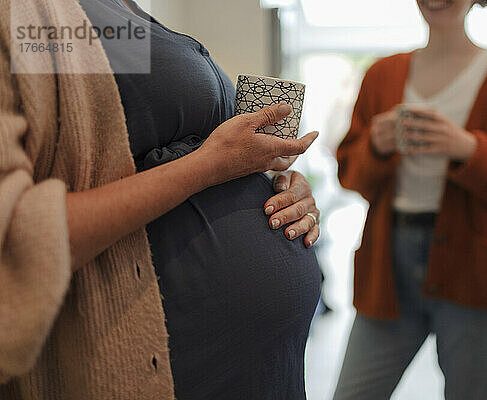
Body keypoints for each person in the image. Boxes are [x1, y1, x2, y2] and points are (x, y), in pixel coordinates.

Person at [0, 0, 320, 399]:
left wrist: (277, 185)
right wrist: (210, 165)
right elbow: (15, 234)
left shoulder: (122, 14)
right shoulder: (26, 17)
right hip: (166, 360)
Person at [334, 0, 487, 399]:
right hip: (388, 264)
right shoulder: (381, 74)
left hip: (478, 267)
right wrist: (376, 146)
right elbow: (350, 174)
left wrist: (469, 149)